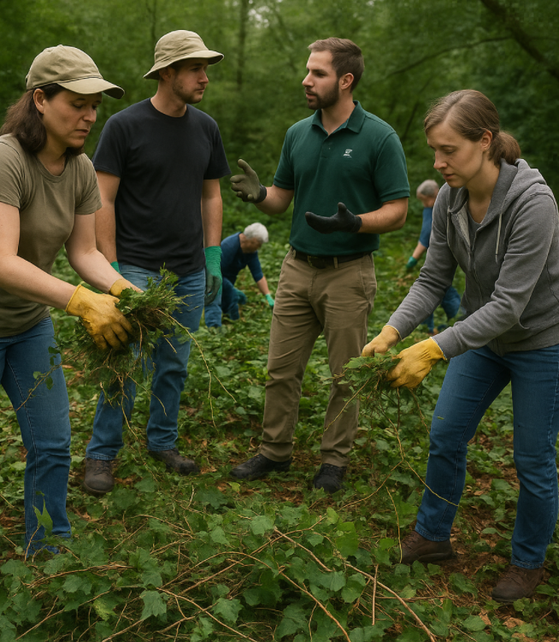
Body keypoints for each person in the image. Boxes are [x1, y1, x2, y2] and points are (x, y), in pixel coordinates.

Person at [363, 89, 559, 602]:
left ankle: (528, 561)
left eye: (449, 149)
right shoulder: (450, 198)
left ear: (486, 141)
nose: (439, 162)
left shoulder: (533, 203)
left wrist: (432, 349)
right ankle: (432, 536)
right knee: (446, 434)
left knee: (532, 458)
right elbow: (432, 281)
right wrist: (393, 330)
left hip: (541, 342)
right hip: (483, 341)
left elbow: (509, 306)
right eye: (434, 150)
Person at [0, 45, 134, 577]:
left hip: (29, 324)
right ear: (40, 99)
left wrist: (126, 293)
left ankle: (49, 546)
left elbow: (84, 253)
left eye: (95, 104)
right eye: (77, 102)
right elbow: (1, 264)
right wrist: (82, 303)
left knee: (53, 441)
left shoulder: (80, 168)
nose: (89, 115)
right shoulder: (0, 159)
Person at [228, 37, 409, 493]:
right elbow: (282, 199)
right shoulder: (297, 134)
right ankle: (274, 451)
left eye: (318, 74)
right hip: (296, 267)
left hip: (349, 271)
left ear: (346, 80)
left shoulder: (379, 136)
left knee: (346, 376)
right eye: (308, 72)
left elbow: (398, 210)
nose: (306, 81)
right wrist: (260, 196)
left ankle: (334, 462)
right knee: (280, 369)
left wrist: (356, 223)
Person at [83, 30, 230, 495]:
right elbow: (102, 198)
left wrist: (211, 258)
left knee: (174, 364)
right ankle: (101, 455)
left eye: (206, 69)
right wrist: (112, 269)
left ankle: (162, 442)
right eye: (195, 69)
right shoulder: (124, 126)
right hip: (137, 266)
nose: (205, 78)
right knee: (123, 363)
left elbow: (211, 195)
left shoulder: (205, 127)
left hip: (187, 270)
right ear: (168, 73)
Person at [406, 179, 461, 334]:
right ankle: (430, 326)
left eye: (426, 200)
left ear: (436, 193)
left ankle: (458, 320)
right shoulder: (430, 207)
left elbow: (426, 235)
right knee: (437, 290)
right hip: (437, 256)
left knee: (437, 289)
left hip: (446, 257)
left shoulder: (443, 206)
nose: (425, 204)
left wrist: (413, 259)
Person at [204, 223, 274, 328]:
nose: (259, 247)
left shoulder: (251, 252)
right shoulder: (229, 246)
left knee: (241, 298)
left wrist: (268, 295)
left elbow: (258, 274)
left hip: (228, 279)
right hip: (215, 276)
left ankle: (227, 319)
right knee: (226, 298)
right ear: (252, 240)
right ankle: (224, 327)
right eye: (259, 244)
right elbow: (215, 270)